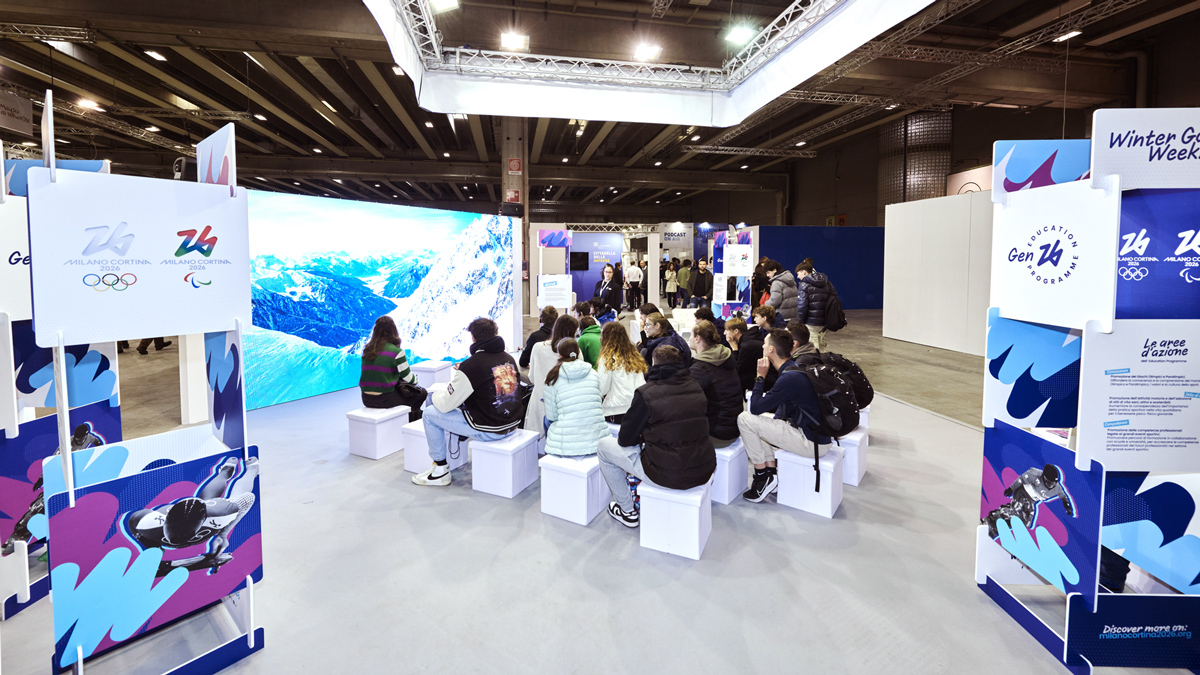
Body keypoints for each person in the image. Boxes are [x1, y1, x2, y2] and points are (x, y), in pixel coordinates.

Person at [598, 345, 716, 527]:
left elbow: (625, 439)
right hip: (703, 467)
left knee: (604, 448)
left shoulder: (646, 393)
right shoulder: (696, 387)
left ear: (654, 364)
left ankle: (627, 511)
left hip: (665, 473)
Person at [416, 318, 523, 486]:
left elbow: (445, 405)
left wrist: (438, 393)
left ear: (473, 338)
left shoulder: (471, 365)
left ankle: (440, 469)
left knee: (430, 413)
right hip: (512, 424)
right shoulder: (508, 358)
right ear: (495, 334)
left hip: (490, 429)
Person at [125, 455, 259, 576]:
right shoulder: (146, 522)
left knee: (230, 499)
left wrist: (223, 534)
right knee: (205, 500)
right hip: (172, 524)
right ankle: (226, 471)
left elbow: (248, 499)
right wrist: (152, 549)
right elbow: (133, 523)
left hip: (213, 512)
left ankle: (239, 470)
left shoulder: (221, 512)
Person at [737, 329, 830, 502]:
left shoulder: (789, 378)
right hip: (815, 436)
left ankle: (762, 475)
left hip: (811, 443)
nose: (763, 346)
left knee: (744, 419)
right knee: (760, 426)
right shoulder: (793, 369)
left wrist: (760, 377)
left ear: (771, 350)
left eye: (765, 344)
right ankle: (771, 474)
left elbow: (755, 408)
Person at [542, 337, 610, 457]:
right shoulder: (593, 373)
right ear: (579, 352)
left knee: (546, 419)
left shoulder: (552, 378)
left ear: (559, 355)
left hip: (567, 443)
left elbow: (552, 416)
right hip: (597, 437)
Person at [523, 315, 579, 437]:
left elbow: (532, 378)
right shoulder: (575, 352)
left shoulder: (538, 347)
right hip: (564, 404)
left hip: (540, 401)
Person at [688, 320, 742, 445]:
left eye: (691, 335)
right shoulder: (724, 355)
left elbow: (689, 404)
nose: (689, 339)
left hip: (716, 435)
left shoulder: (700, 368)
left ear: (697, 338)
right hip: (733, 429)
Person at [359, 316, 424, 419]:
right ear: (393, 331)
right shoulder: (396, 352)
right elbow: (409, 378)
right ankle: (412, 418)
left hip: (365, 398)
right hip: (384, 398)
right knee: (422, 393)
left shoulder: (367, 350)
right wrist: (416, 379)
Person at [596, 321, 647, 423]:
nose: (600, 338)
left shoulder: (607, 358)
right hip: (637, 406)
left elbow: (602, 388)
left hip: (616, 409)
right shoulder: (634, 355)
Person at [795, 258, 834, 352]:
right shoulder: (826, 283)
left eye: (798, 273)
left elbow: (802, 306)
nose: (797, 277)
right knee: (821, 346)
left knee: (812, 348)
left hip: (811, 323)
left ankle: (816, 365)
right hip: (824, 322)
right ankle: (823, 364)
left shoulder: (804, 285)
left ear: (804, 272)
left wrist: (800, 323)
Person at [763, 259, 799, 325]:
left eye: (768, 272)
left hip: (781, 317)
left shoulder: (776, 282)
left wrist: (765, 304)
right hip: (793, 316)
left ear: (774, 270)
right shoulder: (790, 280)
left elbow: (775, 301)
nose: (767, 275)